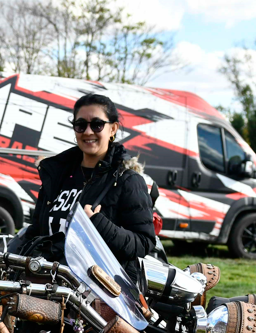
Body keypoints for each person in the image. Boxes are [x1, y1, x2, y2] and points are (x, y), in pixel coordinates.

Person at [16, 92, 155, 270]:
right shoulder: (56, 175)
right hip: (46, 283)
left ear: (113, 129)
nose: (88, 132)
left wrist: (98, 223)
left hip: (94, 291)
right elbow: (35, 233)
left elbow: (143, 244)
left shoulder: (128, 181)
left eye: (97, 125)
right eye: (81, 125)